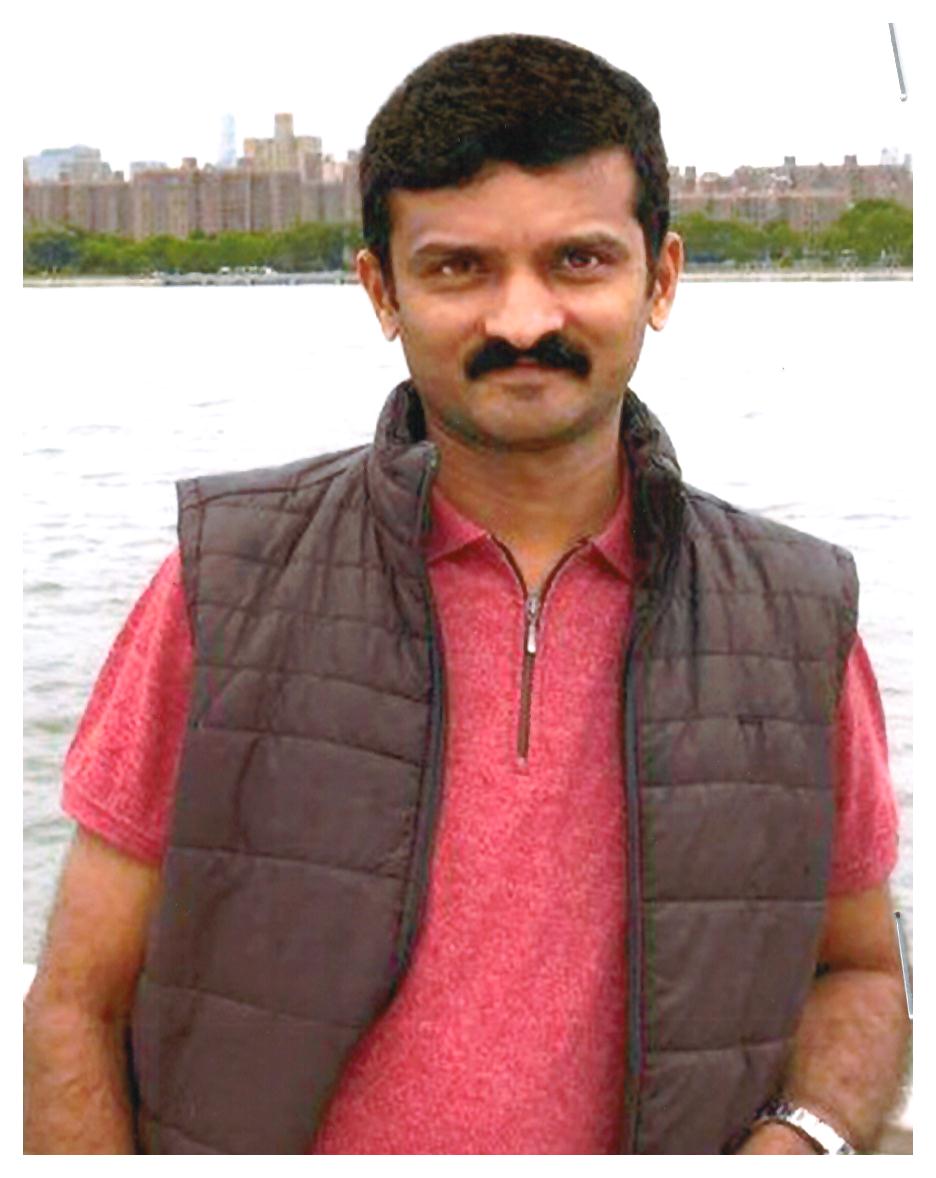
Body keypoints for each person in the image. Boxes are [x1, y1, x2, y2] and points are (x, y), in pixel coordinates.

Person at [24, 33, 908, 1155]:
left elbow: (861, 971)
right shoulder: (225, 584)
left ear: (662, 277)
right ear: (381, 291)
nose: (523, 320)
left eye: (579, 260)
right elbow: (77, 1002)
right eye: (459, 268)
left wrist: (800, 1141)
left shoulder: (794, 620)